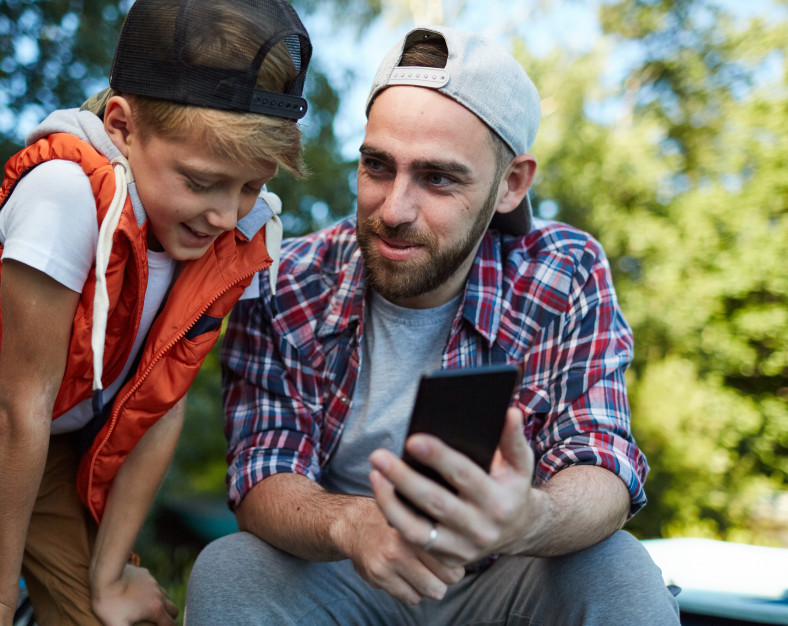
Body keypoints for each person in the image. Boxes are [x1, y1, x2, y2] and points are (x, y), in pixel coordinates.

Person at [185, 25, 680, 624]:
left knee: (618, 569)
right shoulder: (284, 278)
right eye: (376, 166)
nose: (394, 210)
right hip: (344, 577)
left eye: (438, 177)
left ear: (511, 184)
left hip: (503, 576)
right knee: (231, 568)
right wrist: (354, 523)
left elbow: (601, 459)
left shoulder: (565, 271)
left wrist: (529, 517)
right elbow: (264, 471)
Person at [0, 0, 311, 624]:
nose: (227, 214)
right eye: (201, 182)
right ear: (121, 127)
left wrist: (110, 573)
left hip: (47, 460)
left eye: (251, 185)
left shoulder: (234, 231)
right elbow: (22, 405)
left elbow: (161, 405)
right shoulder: (65, 194)